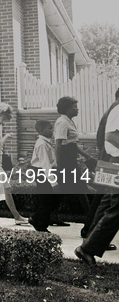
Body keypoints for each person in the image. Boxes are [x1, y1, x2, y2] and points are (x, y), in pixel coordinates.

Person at [75, 89, 119, 266]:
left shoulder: (112, 108)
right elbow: (110, 138)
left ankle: (89, 241)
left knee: (106, 203)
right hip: (114, 161)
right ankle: (88, 247)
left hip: (108, 160)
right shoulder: (117, 109)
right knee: (115, 207)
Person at [54, 96, 96, 232]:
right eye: (74, 106)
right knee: (81, 189)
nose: (77, 109)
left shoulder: (69, 121)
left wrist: (87, 156)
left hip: (70, 159)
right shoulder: (62, 122)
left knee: (67, 189)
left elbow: (73, 144)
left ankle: (45, 217)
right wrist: (59, 164)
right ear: (66, 108)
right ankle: (90, 225)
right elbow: (59, 145)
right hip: (66, 161)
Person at [27, 120, 60, 233]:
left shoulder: (46, 142)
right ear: (41, 130)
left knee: (52, 199)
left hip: (45, 172)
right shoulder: (41, 144)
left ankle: (38, 219)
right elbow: (45, 164)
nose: (52, 130)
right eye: (50, 128)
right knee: (47, 199)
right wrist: (53, 183)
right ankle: (39, 223)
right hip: (42, 172)